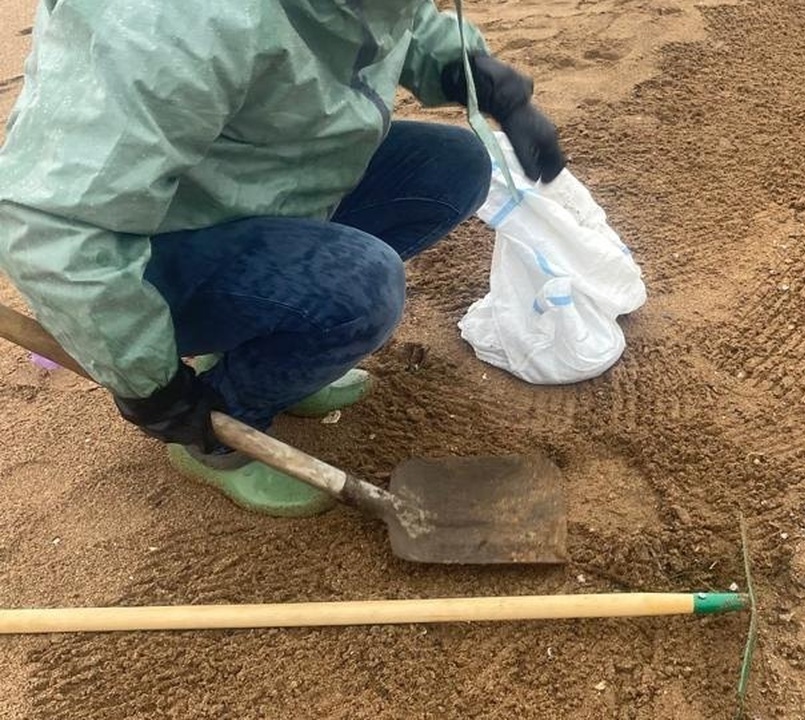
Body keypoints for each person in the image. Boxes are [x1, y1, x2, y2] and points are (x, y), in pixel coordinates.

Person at [0, 1, 565, 516]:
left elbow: (391, 22)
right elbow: (55, 231)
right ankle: (220, 434)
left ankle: (273, 358)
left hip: (248, 185)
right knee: (361, 288)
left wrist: (479, 77)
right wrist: (150, 386)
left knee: (452, 166)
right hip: (141, 255)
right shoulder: (172, 23)